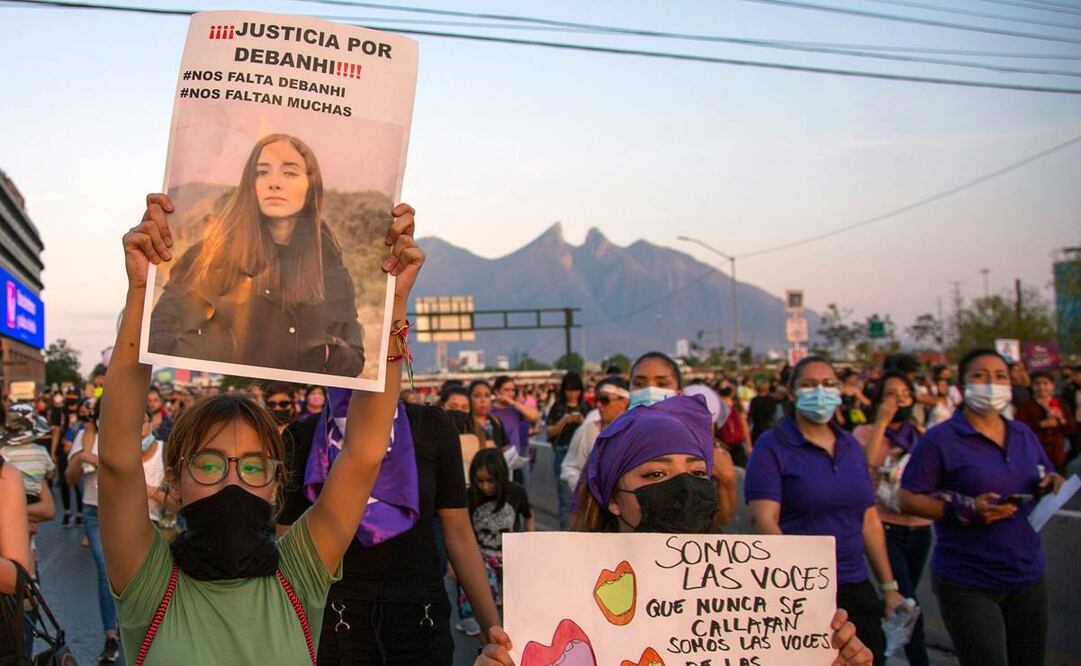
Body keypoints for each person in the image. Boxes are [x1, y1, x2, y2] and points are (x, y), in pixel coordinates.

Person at [96, 193, 422, 663]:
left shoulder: (299, 574)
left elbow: (365, 453)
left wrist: (394, 301)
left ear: (274, 485)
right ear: (174, 481)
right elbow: (117, 460)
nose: (232, 481)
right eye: (210, 464)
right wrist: (142, 294)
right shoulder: (149, 583)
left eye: (253, 467)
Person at [559, 395, 873, 666]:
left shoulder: (753, 600)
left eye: (697, 473)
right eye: (656, 474)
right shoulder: (568, 600)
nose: (684, 488)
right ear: (613, 499)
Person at [278, 388, 500, 664]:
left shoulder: (433, 427)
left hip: (421, 622)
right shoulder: (304, 436)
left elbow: (460, 534)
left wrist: (494, 632)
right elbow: (288, 550)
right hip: (335, 624)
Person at [900, 348, 1067, 666]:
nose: (992, 384)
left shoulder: (1022, 434)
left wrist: (1053, 481)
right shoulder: (940, 440)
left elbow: (1044, 473)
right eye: (980, 376)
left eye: (1000, 376)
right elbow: (908, 498)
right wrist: (963, 509)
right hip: (967, 580)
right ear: (962, 386)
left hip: (1027, 574)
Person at [148, 134, 366, 377]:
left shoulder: (328, 265)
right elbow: (158, 339)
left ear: (310, 186)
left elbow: (354, 358)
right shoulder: (207, 257)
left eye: (290, 173)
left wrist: (319, 353)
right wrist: (227, 350)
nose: (274, 183)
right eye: (262, 173)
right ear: (250, 185)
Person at [745, 356, 905, 665]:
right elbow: (764, 520)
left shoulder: (850, 446)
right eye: (809, 384)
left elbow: (868, 519)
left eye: (828, 384)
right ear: (792, 392)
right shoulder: (772, 447)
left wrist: (888, 588)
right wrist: (797, 588)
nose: (820, 392)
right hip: (802, 593)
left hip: (856, 585)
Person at [853, 372, 931, 666]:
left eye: (905, 394)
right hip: (885, 527)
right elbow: (866, 465)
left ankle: (883, 648)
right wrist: (882, 422)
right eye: (891, 394)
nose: (898, 400)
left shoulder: (920, 435)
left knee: (900, 601)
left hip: (919, 527)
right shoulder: (865, 433)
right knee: (907, 603)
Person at [628, 352, 738, 526]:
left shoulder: (700, 448)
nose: (649, 390)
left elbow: (720, 519)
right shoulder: (614, 442)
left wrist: (727, 482)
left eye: (662, 384)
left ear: (679, 393)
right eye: (639, 384)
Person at [455, 449, 533, 637]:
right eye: (480, 481)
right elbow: (459, 528)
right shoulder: (470, 495)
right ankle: (474, 623)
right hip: (480, 556)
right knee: (481, 596)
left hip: (508, 556)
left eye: (491, 481)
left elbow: (528, 516)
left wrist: (530, 542)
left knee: (505, 600)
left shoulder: (516, 492)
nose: (485, 487)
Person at [66, 398, 121, 663]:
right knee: (104, 570)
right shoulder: (85, 436)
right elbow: (70, 479)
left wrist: (98, 460)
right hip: (93, 511)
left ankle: (130, 628)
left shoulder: (125, 435)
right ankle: (111, 635)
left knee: (128, 574)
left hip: (123, 512)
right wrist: (79, 459)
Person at [560, 377, 630, 493]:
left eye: (604, 400)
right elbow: (570, 467)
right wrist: (584, 490)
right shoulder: (588, 431)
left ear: (624, 402)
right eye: (597, 400)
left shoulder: (637, 432)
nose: (598, 405)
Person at [544, 372, 585, 529]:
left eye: (576, 390)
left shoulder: (585, 407)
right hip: (563, 452)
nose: (573, 394)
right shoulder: (559, 407)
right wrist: (564, 420)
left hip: (583, 454)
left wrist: (582, 421)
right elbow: (550, 432)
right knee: (566, 499)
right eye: (569, 390)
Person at [1016, 372, 1076, 475]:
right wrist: (1040, 425)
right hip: (1036, 452)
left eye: (1045, 383)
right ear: (1032, 386)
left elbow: (1071, 428)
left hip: (1058, 452)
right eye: (1037, 384)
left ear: (1052, 386)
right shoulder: (1026, 406)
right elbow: (1019, 428)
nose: (1041, 387)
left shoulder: (1061, 404)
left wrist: (1062, 420)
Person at [489, 377, 541, 484]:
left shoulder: (514, 409)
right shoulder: (490, 410)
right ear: (496, 391)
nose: (510, 393)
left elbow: (535, 416)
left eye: (512, 390)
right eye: (506, 390)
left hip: (513, 460)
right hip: (494, 460)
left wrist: (513, 402)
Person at [469, 381, 511, 452]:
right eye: (477, 396)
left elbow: (505, 447)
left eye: (487, 396)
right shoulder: (466, 424)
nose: (483, 400)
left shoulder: (495, 421)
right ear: (469, 399)